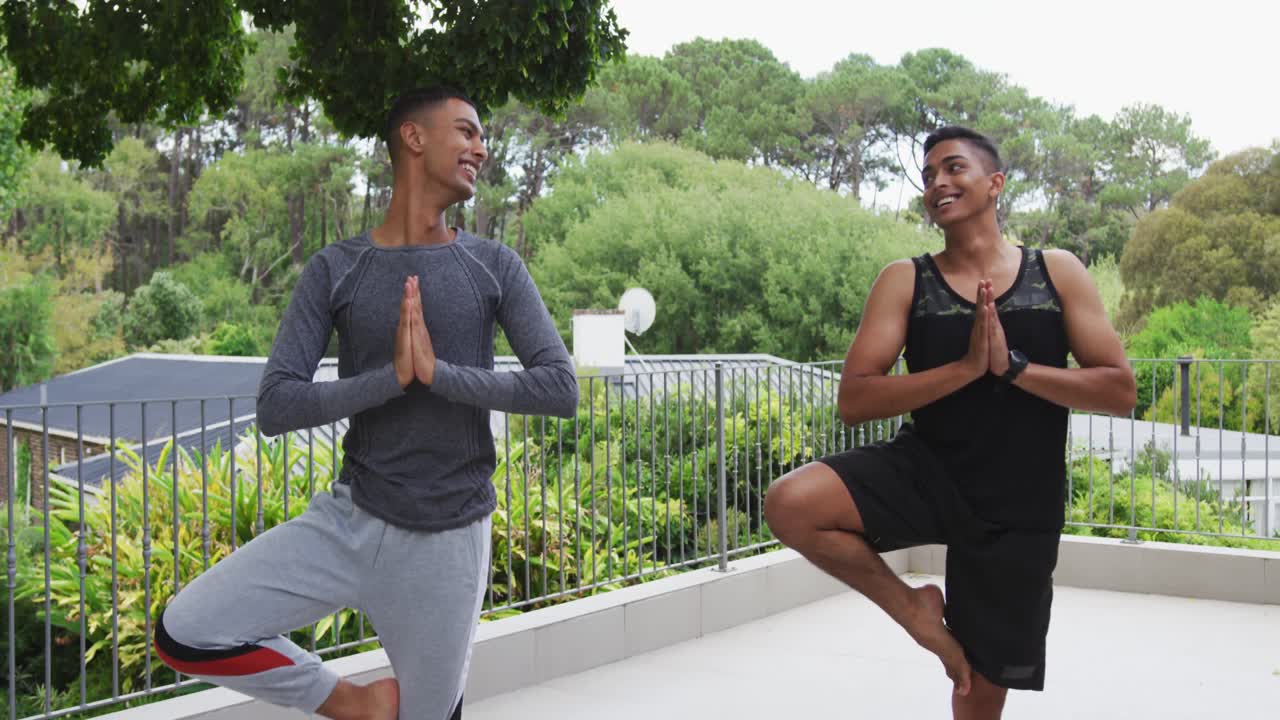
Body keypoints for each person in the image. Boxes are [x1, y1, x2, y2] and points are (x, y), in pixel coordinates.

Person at [153, 86, 579, 720]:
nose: (481, 149)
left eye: (480, 136)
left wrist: (439, 375)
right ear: (413, 137)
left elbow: (559, 389)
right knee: (185, 629)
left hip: (448, 539)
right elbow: (277, 405)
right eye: (465, 131)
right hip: (349, 521)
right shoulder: (336, 268)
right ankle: (354, 704)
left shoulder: (495, 264)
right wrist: (390, 379)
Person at [763, 126, 1136, 719]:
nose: (938, 182)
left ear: (994, 184)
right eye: (929, 175)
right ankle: (916, 611)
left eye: (954, 168)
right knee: (791, 502)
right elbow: (855, 399)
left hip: (1020, 505)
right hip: (927, 471)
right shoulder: (905, 280)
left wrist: (1012, 369)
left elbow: (1119, 388)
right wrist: (965, 369)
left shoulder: (1056, 272)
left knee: (977, 698)